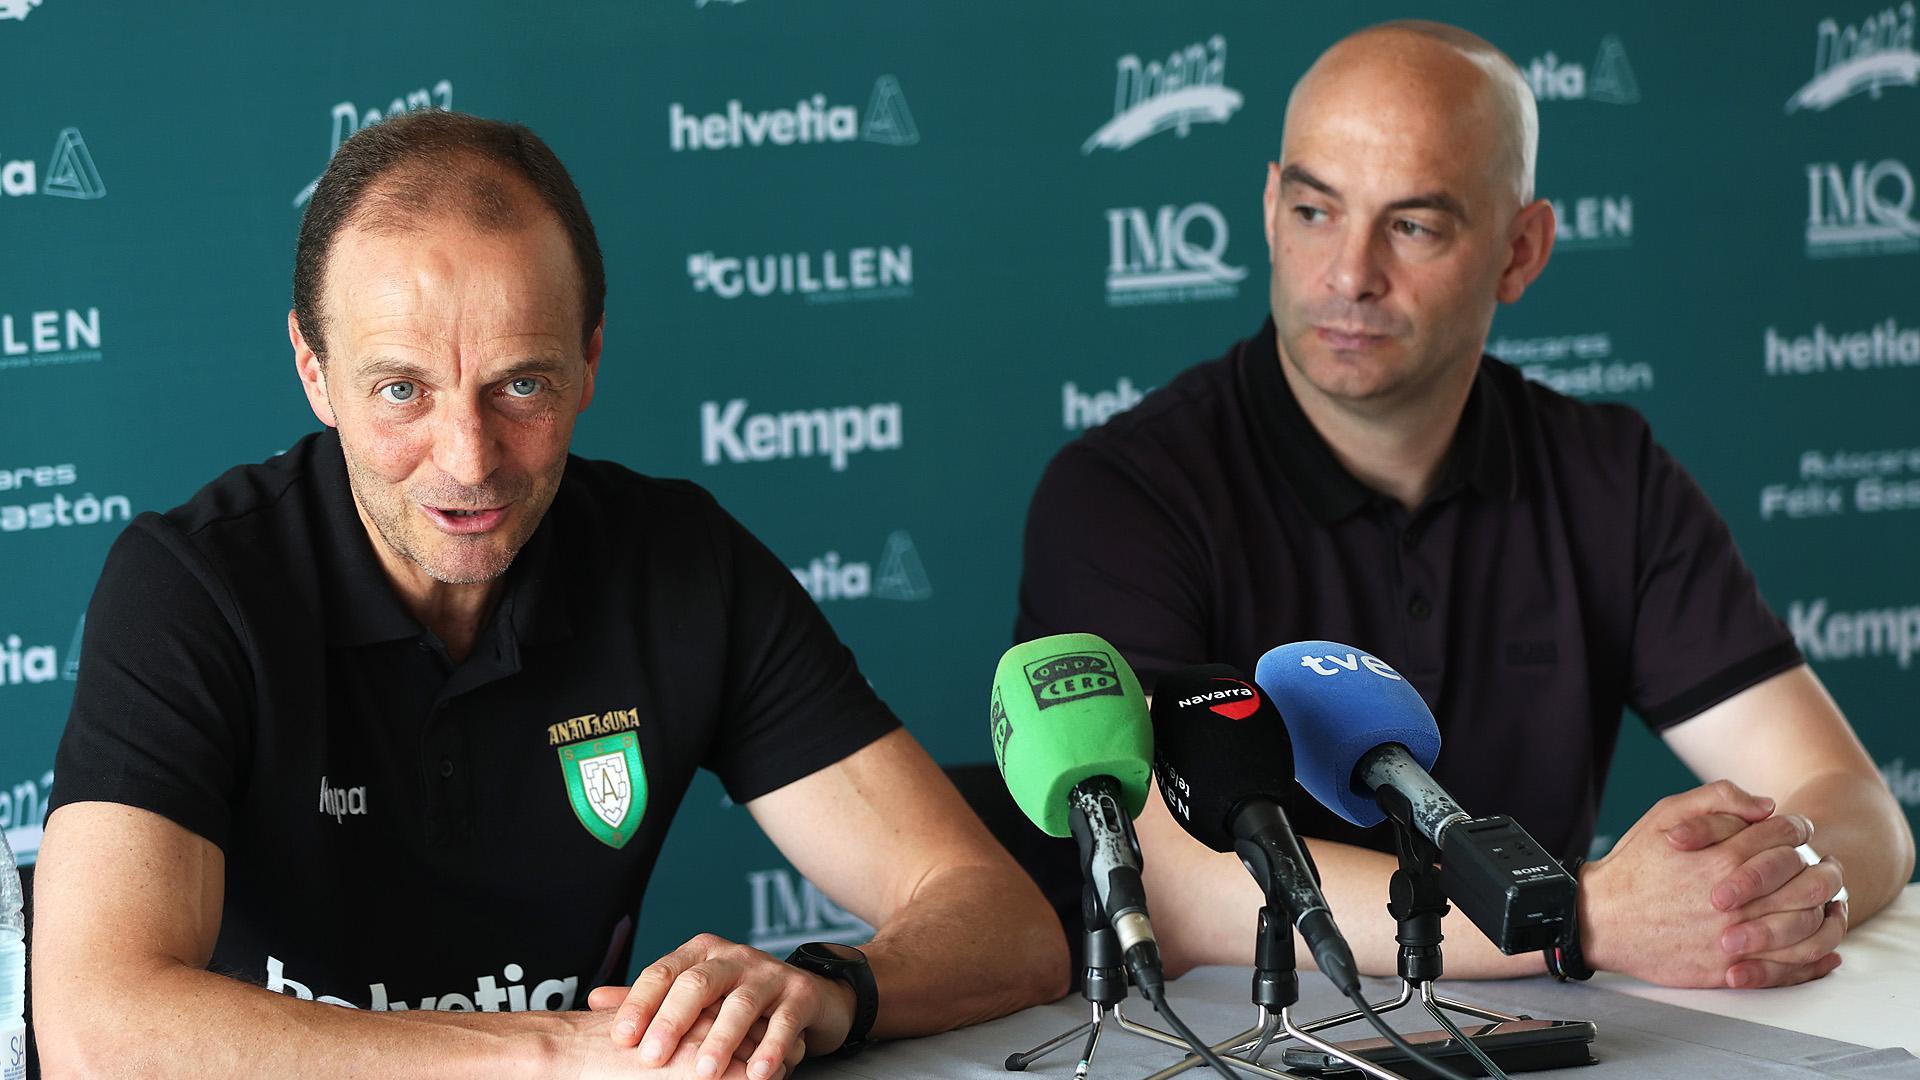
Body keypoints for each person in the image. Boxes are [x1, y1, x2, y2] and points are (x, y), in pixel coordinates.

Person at [33, 110, 1066, 1078]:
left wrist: (830, 986)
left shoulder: (679, 562)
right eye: (402, 391)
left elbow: (1007, 926)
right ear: (314, 371)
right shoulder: (194, 586)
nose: (469, 459)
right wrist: (553, 1056)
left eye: (520, 384)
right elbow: (90, 1025)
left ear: (589, 360)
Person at [1016, 21, 1912, 991]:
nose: (1349, 274)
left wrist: (1756, 897)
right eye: (1315, 211)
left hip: (1557, 1041)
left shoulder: (1608, 474)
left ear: (1520, 250)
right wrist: (1573, 915)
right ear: (1271, 210)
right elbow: (1171, 881)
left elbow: (1854, 804)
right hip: (1244, 1040)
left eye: (1412, 226)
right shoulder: (1125, 493)